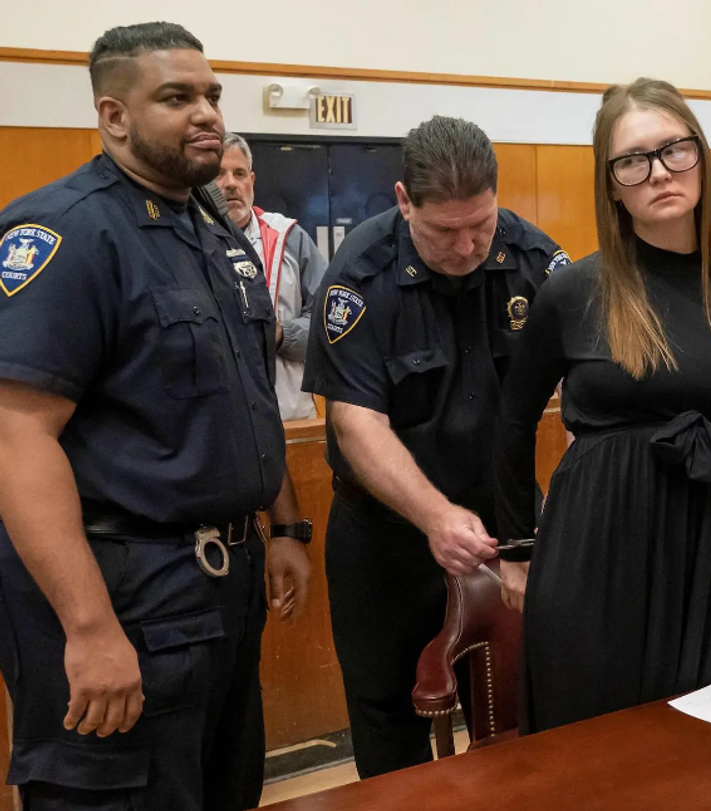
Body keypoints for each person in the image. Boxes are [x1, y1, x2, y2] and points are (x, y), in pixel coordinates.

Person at [0, 22, 311, 811]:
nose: (206, 112)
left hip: (220, 591)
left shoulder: (213, 232)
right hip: (123, 593)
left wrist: (283, 527)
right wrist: (90, 627)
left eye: (210, 94)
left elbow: (245, 398)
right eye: (176, 97)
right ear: (114, 116)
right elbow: (16, 438)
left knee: (218, 789)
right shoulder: (66, 231)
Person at [491, 77, 711, 733]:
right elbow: (510, 420)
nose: (658, 173)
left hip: (706, 546)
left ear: (700, 155)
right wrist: (517, 547)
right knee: (597, 753)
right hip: (595, 548)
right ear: (611, 184)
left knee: (709, 741)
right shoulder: (574, 292)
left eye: (675, 149)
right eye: (632, 161)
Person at [302, 115, 568, 778]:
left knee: (520, 706)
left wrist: (538, 529)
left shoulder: (537, 262)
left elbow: (595, 393)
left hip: (509, 525)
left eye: (481, 223)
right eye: (444, 230)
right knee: (387, 714)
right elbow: (357, 424)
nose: (468, 246)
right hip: (386, 535)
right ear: (402, 200)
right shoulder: (359, 279)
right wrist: (434, 516)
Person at [217, 133, 329, 420]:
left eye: (239, 173)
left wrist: (282, 334)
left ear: (251, 182)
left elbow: (328, 321)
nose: (230, 183)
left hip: (288, 417)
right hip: (219, 425)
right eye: (218, 174)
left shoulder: (290, 238)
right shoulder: (185, 241)